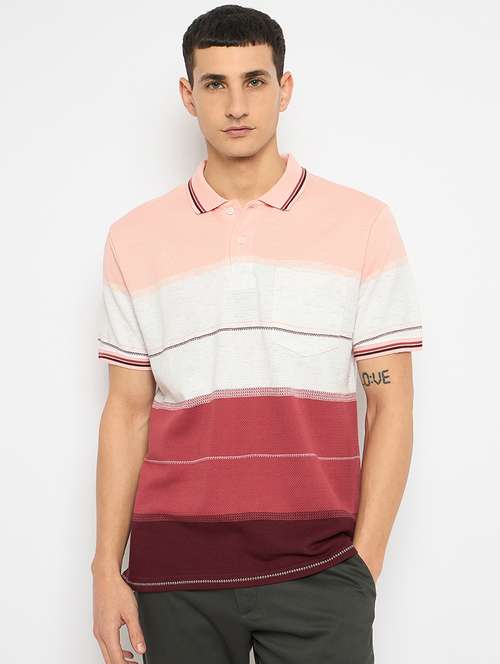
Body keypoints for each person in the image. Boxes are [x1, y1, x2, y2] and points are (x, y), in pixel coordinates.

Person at [91, 4, 424, 663]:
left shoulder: (362, 224)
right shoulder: (135, 238)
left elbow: (391, 403)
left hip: (321, 571)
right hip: (175, 576)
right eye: (215, 83)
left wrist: (363, 566)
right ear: (188, 96)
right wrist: (106, 567)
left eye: (255, 80)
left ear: (284, 88)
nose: (236, 105)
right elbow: (126, 411)